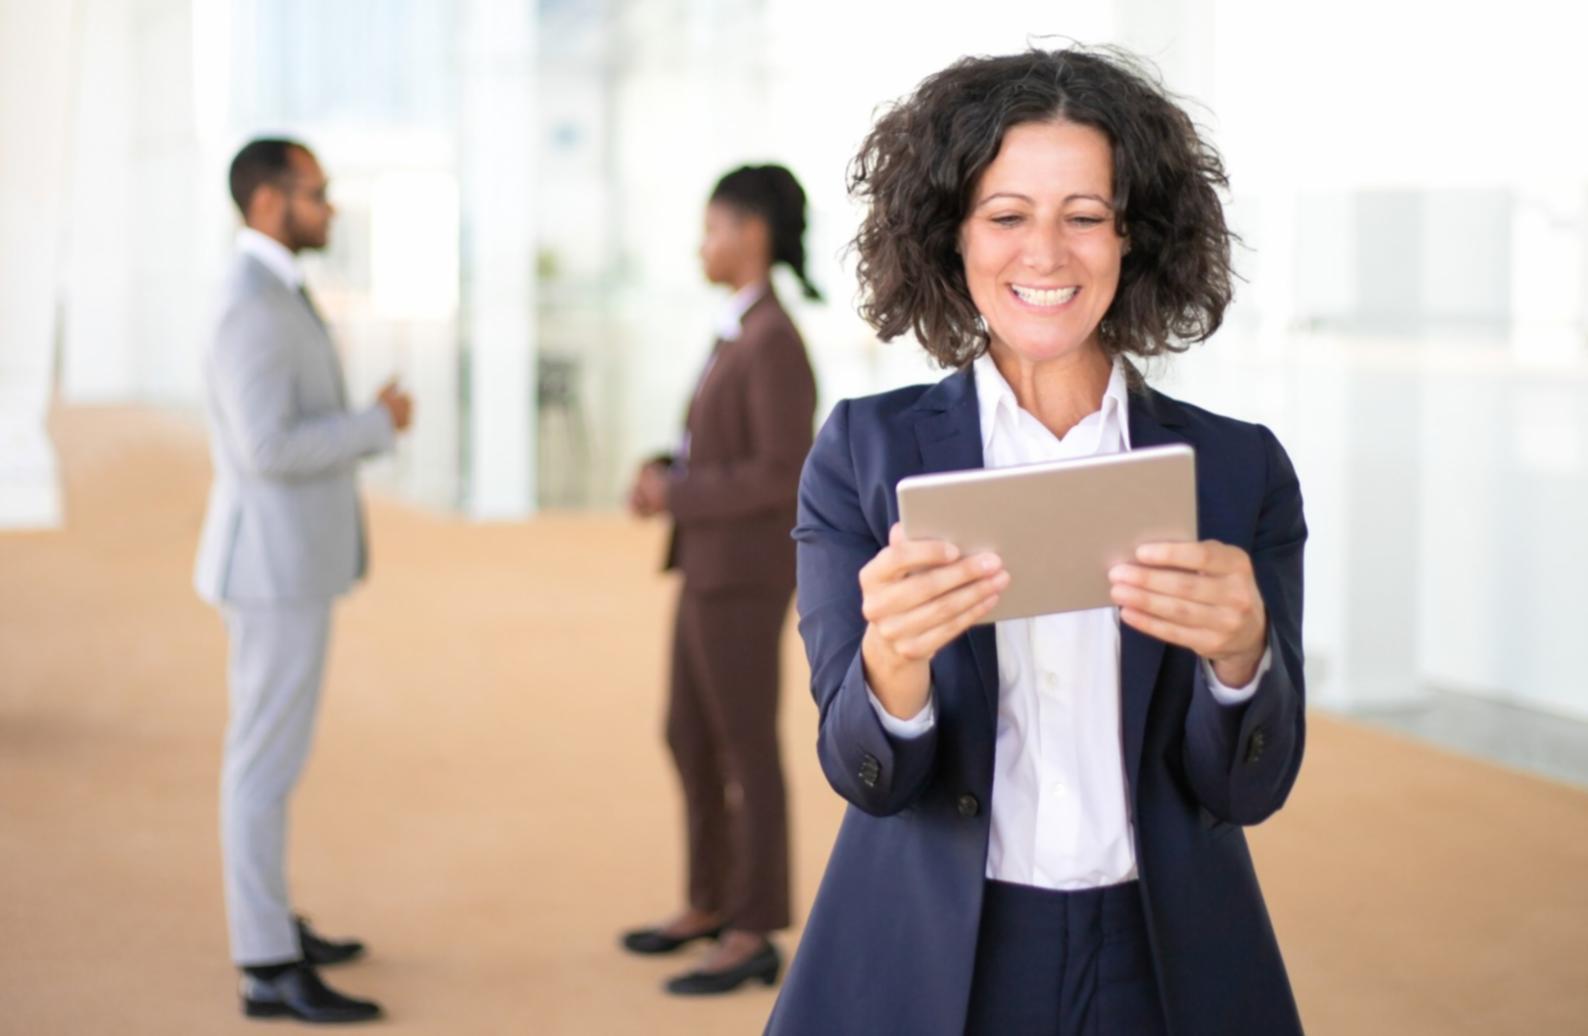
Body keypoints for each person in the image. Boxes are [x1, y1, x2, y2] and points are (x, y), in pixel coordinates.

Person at [766, 47, 1307, 1036]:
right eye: (1007, 215)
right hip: (942, 956)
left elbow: (1250, 786)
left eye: (1084, 216)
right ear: (951, 237)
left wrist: (1240, 659)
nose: (1045, 255)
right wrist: (893, 661)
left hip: (1160, 956)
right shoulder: (862, 454)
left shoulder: (1239, 471)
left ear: (1133, 237)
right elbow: (865, 774)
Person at [193, 138, 412, 1024]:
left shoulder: (273, 286)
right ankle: (265, 963)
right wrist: (375, 423)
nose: (330, 208)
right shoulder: (250, 301)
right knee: (260, 766)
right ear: (270, 201)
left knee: (272, 761)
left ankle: (273, 921)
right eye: (317, 193)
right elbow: (268, 448)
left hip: (287, 562)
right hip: (271, 567)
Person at [621, 165, 820, 996]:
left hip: (743, 573)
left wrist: (680, 492)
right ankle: (708, 901)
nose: (702, 244)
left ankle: (753, 925)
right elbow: (723, 446)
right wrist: (669, 467)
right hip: (706, 565)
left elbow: (783, 473)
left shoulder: (775, 341)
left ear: (752, 236)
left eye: (712, 228)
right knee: (687, 735)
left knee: (744, 748)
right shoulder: (738, 330)